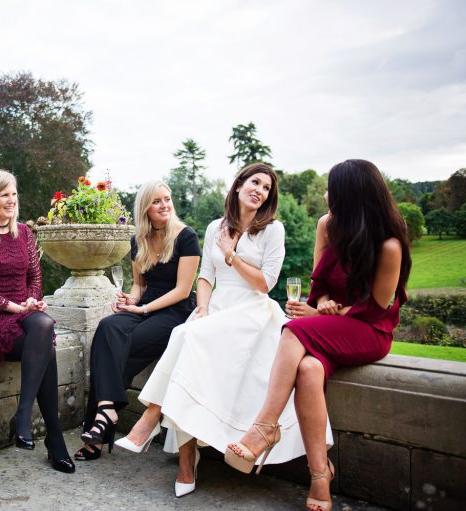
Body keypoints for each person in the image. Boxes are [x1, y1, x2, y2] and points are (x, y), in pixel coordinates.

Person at [117, 163, 329, 497]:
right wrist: (202, 308)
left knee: (185, 336)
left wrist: (231, 255)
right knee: (189, 335)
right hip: (216, 307)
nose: (260, 191)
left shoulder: (273, 230)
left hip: (252, 311)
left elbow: (265, 283)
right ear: (239, 184)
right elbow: (205, 276)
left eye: (267, 188)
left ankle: (152, 418)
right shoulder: (215, 226)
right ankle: (185, 458)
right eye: (255, 182)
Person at [225, 159, 411, 511]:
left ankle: (265, 427)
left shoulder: (389, 245)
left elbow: (377, 307)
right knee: (308, 370)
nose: (326, 194)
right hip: (330, 326)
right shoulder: (327, 225)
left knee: (293, 330)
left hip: (369, 330)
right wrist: (322, 303)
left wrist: (322, 314)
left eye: (331, 189)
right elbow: (320, 282)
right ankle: (320, 477)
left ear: (349, 196)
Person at [75, 179, 201, 461]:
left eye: (167, 199)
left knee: (122, 345)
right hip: (146, 304)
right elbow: (140, 286)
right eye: (157, 201)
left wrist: (142, 310)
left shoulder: (186, 236)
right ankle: (106, 412)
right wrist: (129, 300)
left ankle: (98, 428)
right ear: (145, 208)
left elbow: (183, 290)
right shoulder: (138, 240)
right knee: (107, 327)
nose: (164, 205)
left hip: (176, 311)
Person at [0, 169, 74, 474]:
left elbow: (35, 277)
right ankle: (54, 438)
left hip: (24, 311)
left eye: (14, 194)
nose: (12, 200)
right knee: (46, 343)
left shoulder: (23, 233)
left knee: (43, 324)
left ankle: (23, 414)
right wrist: (14, 306)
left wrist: (32, 300)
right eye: (4, 195)